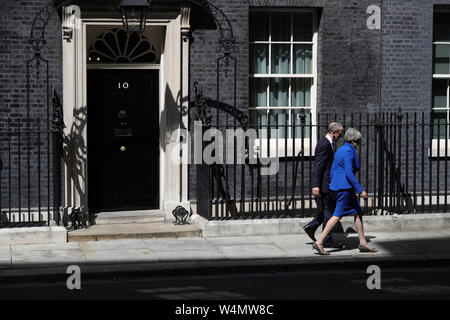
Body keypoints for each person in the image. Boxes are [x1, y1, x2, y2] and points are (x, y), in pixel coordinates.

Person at [312, 128, 377, 255]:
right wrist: (360, 190)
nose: (358, 144)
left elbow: (333, 170)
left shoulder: (340, 150)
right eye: (357, 142)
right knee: (337, 215)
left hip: (339, 187)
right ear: (353, 141)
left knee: (357, 212)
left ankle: (362, 242)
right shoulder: (348, 151)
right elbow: (349, 173)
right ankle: (319, 242)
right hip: (344, 189)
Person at [303, 122, 343, 248]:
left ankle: (312, 226)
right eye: (339, 134)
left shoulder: (328, 143)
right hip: (325, 184)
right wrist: (315, 185)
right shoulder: (324, 144)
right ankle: (326, 239)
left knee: (328, 209)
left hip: (327, 183)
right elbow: (318, 165)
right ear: (333, 133)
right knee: (329, 211)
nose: (340, 136)